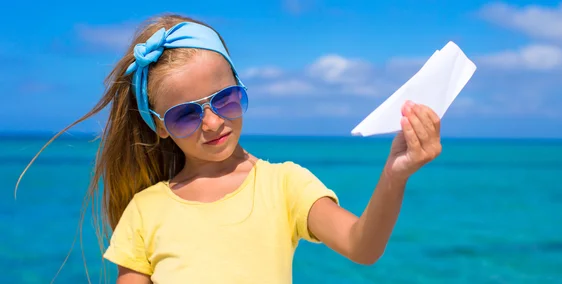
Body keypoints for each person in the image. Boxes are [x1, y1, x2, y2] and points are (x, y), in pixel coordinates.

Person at [18, 13, 442, 284]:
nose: (214, 122)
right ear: (160, 128)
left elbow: (362, 246)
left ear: (242, 88)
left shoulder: (284, 184)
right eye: (186, 114)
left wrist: (395, 172)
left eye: (225, 99)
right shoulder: (145, 210)